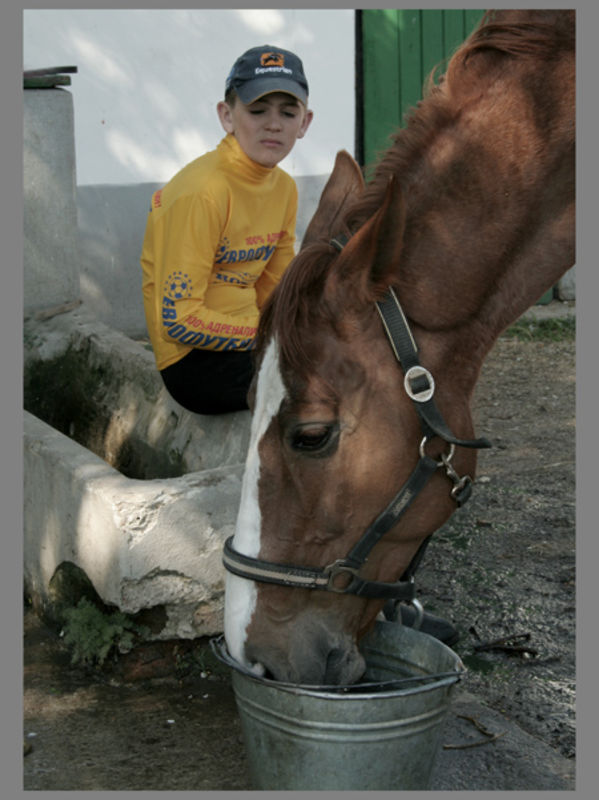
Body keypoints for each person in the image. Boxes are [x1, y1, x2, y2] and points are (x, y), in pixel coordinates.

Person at [141, 45, 313, 414]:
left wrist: (298, 327)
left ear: (304, 123)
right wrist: (269, 335)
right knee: (323, 389)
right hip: (193, 361)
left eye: (288, 113)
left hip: (251, 343)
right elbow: (179, 321)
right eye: (257, 110)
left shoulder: (284, 188)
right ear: (227, 116)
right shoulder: (202, 192)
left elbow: (277, 290)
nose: (273, 124)